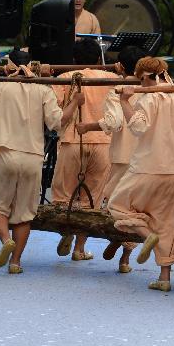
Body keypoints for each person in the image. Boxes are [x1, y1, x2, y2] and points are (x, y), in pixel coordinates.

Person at [0, 50, 78, 274]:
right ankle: (16, 262)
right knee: (23, 214)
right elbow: (57, 123)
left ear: (8, 67)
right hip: (33, 157)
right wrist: (76, 102)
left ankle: (5, 240)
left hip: (5, 154)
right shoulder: (43, 88)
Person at [108, 56, 174, 292]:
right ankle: (165, 278)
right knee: (166, 222)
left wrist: (124, 102)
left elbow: (138, 127)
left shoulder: (149, 99)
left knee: (117, 204)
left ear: (147, 77)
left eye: (141, 80)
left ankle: (147, 235)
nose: (141, 84)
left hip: (148, 166)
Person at [73, 45, 147, 272]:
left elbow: (113, 122)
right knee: (138, 208)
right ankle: (125, 256)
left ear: (120, 66)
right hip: (148, 157)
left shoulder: (119, 89)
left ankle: (117, 238)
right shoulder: (156, 89)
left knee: (114, 204)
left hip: (124, 157)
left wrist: (88, 125)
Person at [51, 38, 120, 262]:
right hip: (102, 143)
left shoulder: (63, 78)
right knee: (91, 199)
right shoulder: (112, 78)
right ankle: (79, 248)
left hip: (72, 141)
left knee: (63, 196)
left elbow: (57, 119)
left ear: (73, 59)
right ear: (98, 59)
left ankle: (66, 231)